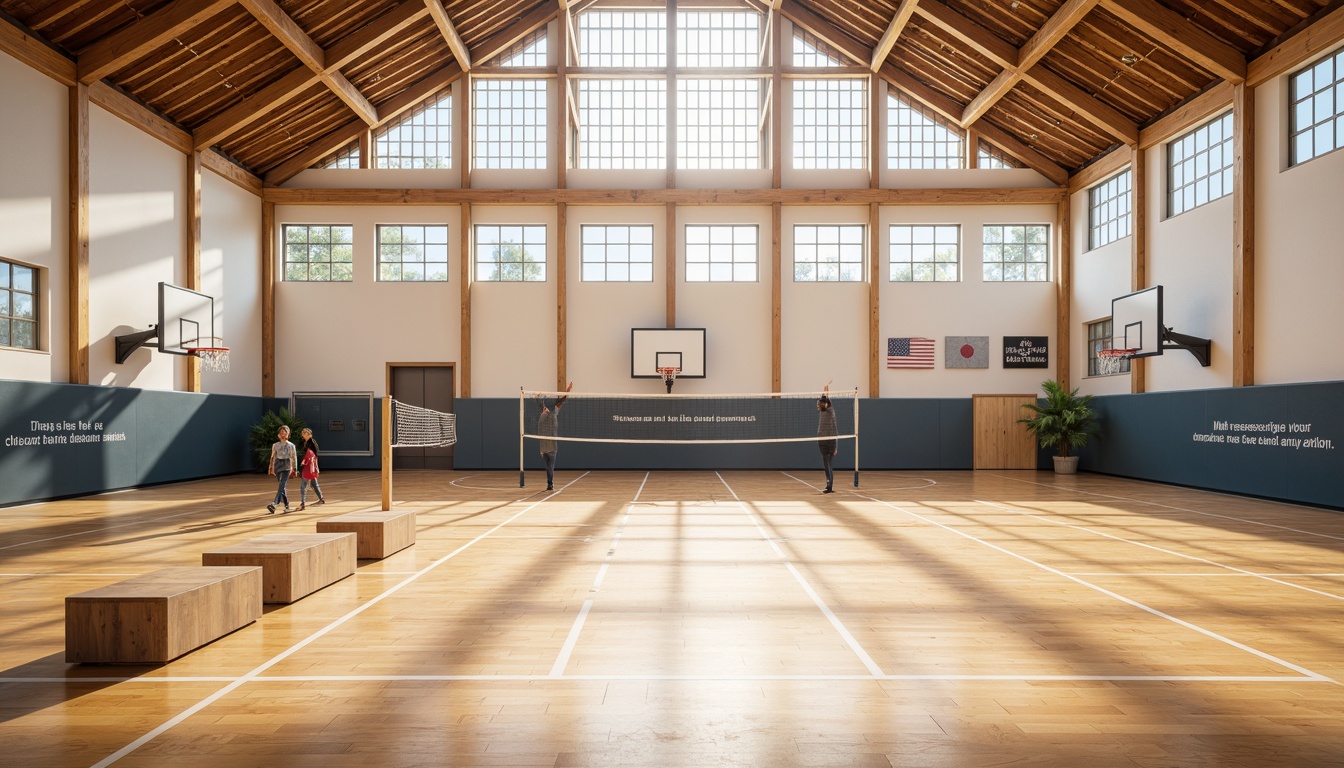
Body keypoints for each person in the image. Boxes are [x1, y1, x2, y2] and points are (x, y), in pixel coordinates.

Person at [537, 381, 574, 491]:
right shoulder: (553, 416)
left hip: (545, 449)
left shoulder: (541, 419)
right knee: (550, 467)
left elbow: (554, 405)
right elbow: (560, 403)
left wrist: (539, 398)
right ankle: (550, 484)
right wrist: (568, 391)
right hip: (551, 448)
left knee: (549, 467)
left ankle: (550, 484)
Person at [267, 425, 298, 514]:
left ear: (288, 434)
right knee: (282, 486)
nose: (283, 434)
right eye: (281, 433)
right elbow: (272, 456)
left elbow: (294, 457)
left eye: (285, 433)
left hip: (287, 465)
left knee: (282, 485)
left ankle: (274, 503)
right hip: (278, 465)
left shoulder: (291, 445)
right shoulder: (275, 445)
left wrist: (295, 469)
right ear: (278, 435)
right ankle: (287, 505)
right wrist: (270, 468)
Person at [297, 427, 326, 511]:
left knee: (304, 485)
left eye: (305, 433)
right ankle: (321, 498)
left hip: (309, 465)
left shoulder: (312, 442)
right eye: (303, 433)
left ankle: (303, 503)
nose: (304, 435)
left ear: (309, 434)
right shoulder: (303, 442)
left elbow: (314, 453)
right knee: (314, 483)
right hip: (307, 464)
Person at [816, 384, 838, 494]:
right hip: (822, 440)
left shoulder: (829, 411)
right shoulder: (823, 412)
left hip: (829, 441)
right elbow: (823, 401)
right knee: (827, 464)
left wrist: (825, 392)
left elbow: (825, 401)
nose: (818, 405)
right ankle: (829, 485)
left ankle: (829, 486)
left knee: (827, 464)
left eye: (820, 404)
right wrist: (824, 392)